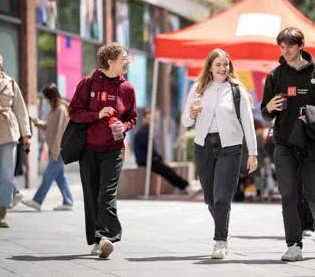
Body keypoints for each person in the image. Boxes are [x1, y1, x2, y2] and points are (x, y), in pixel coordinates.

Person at [260, 27, 315, 261]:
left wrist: (313, 115)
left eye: (290, 46)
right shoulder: (275, 76)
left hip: (312, 144)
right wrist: (269, 108)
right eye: (282, 47)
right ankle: (293, 245)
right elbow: (265, 113)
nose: (285, 51)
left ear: (301, 46)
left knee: (314, 194)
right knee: (288, 194)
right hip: (284, 143)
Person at [181, 48, 258, 259]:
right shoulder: (197, 89)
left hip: (230, 147)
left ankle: (220, 241)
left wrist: (253, 153)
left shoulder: (237, 91)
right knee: (210, 199)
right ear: (210, 67)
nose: (223, 68)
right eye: (219, 65)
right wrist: (191, 114)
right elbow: (185, 122)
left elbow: (248, 124)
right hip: (203, 146)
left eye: (226, 65)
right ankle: (223, 228)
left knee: (223, 196)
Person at [69, 43, 137, 259]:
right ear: (111, 61)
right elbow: (74, 112)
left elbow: (132, 118)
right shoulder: (88, 84)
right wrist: (96, 115)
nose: (127, 61)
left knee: (106, 194)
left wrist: (123, 127)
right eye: (124, 57)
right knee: (91, 195)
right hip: (88, 149)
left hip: (114, 149)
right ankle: (98, 240)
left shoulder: (128, 89)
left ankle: (108, 237)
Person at [0, 50, 31, 228]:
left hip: (9, 132)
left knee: (6, 174)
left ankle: (3, 213)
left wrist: (25, 134)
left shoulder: (11, 82)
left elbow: (20, 109)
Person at [22, 83, 74, 211]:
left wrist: (56, 152)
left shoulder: (61, 110)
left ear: (51, 96)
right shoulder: (55, 109)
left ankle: (37, 201)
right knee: (60, 178)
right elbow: (50, 126)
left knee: (48, 176)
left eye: (46, 97)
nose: (45, 100)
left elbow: (61, 132)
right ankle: (68, 202)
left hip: (58, 149)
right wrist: (38, 123)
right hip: (55, 148)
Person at [133, 108, 200, 196]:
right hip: (145, 161)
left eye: (152, 119)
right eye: (148, 119)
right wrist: (161, 160)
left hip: (149, 160)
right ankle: (186, 186)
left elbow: (152, 151)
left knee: (167, 171)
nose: (150, 121)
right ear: (144, 119)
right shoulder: (142, 133)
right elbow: (151, 151)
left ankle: (185, 186)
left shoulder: (146, 131)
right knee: (166, 171)